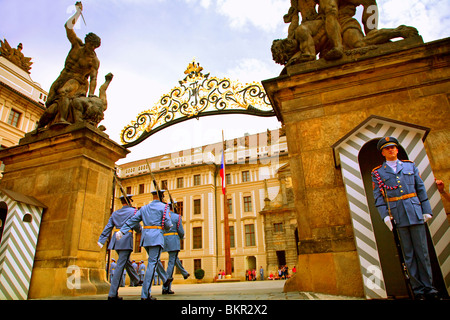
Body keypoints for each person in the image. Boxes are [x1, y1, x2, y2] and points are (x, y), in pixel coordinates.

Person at [371, 136, 440, 300]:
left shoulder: (410, 166)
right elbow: (378, 198)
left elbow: (420, 189)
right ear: (382, 152)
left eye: (393, 147)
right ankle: (418, 290)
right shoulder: (378, 173)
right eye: (387, 148)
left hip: (415, 212)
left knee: (422, 252)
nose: (391, 150)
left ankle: (429, 288)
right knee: (408, 254)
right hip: (398, 215)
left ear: (397, 149)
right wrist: (385, 217)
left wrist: (426, 210)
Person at [38, 2, 101, 128]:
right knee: (50, 104)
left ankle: (62, 119)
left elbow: (93, 78)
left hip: (78, 81)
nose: (92, 48)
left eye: (95, 47)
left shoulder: (93, 60)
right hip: (64, 76)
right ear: (86, 41)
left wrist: (91, 94)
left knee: (64, 92)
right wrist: (77, 13)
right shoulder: (76, 45)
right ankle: (41, 127)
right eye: (91, 45)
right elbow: (68, 27)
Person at [116, 190, 173, 301]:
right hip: (156, 238)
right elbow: (168, 225)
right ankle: (145, 295)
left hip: (145, 238)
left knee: (152, 264)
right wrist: (168, 226)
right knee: (152, 265)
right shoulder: (164, 207)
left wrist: (122, 231)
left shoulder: (144, 208)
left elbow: (133, 220)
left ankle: (148, 291)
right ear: (161, 197)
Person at [97, 194, 141, 300]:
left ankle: (136, 279)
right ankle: (112, 294)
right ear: (129, 201)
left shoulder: (115, 213)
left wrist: (101, 240)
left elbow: (108, 227)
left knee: (125, 261)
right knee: (120, 265)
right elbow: (136, 226)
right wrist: (140, 231)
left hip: (116, 242)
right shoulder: (133, 211)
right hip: (126, 240)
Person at [161, 201, 185, 295]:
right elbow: (181, 231)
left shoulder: (163, 216)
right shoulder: (177, 216)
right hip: (173, 240)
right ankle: (166, 287)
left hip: (163, 239)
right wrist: (181, 236)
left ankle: (164, 286)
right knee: (171, 264)